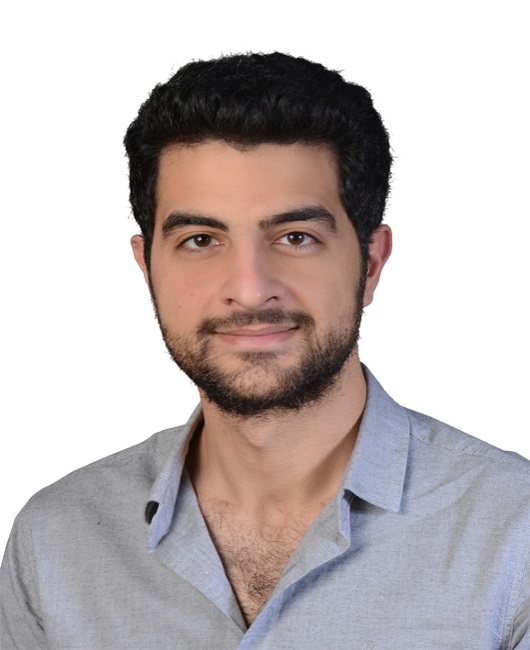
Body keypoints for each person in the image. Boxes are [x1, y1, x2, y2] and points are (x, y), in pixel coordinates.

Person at [1, 52, 528, 650]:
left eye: (295, 237)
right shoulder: (55, 542)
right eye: (201, 240)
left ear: (371, 264)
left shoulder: (514, 535)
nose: (250, 290)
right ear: (148, 268)